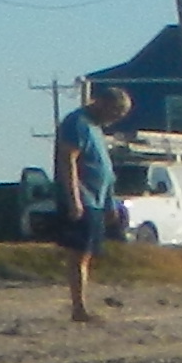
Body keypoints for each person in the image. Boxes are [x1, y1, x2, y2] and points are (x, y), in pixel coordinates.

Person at [51, 84, 131, 321]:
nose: (115, 119)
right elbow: (68, 160)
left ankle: (82, 305)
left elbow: (104, 169)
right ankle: (79, 308)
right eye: (115, 112)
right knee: (79, 254)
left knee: (90, 253)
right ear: (101, 103)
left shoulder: (95, 128)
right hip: (82, 198)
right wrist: (74, 199)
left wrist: (109, 203)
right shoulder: (76, 122)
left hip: (98, 199)